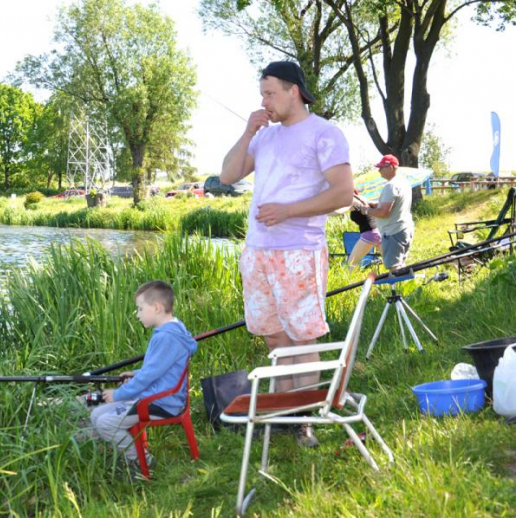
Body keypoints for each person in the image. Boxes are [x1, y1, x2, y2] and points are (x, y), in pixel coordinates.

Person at [220, 60, 353, 448]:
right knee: (275, 339)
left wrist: (288, 211)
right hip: (257, 251)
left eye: (270, 93)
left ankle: (305, 419)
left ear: (293, 90)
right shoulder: (264, 136)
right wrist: (248, 130)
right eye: (262, 94)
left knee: (303, 339)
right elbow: (227, 175)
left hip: (298, 251)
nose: (264, 101)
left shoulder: (325, 133)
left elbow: (343, 193)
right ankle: (282, 414)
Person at [88, 280, 197, 475]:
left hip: (163, 402)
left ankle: (141, 462)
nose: (137, 315)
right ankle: (132, 454)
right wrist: (135, 373)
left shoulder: (166, 337)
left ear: (156, 307)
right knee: (96, 415)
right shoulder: (172, 329)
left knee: (105, 423)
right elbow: (159, 369)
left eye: (140, 309)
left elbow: (149, 376)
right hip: (158, 393)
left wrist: (119, 394)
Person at [362, 155, 414, 271]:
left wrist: (366, 210)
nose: (379, 170)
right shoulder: (403, 182)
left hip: (393, 231)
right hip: (404, 228)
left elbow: (383, 213)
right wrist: (376, 204)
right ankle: (405, 287)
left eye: (381, 167)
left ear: (390, 167)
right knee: (400, 264)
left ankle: (398, 289)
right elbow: (395, 205)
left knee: (394, 268)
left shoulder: (391, 186)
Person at [347, 191, 382, 271]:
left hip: (369, 234)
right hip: (378, 232)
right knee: (391, 262)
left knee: (351, 263)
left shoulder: (351, 200)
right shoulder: (361, 198)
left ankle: (350, 282)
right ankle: (401, 279)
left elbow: (337, 211)